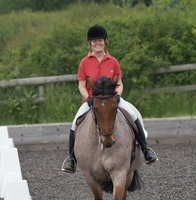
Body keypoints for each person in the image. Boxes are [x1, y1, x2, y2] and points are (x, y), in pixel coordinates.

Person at [62, 24, 158, 173]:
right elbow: (81, 85)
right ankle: (71, 159)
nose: (97, 43)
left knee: (132, 114)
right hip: (92, 101)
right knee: (74, 123)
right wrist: (88, 97)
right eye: (94, 41)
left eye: (100, 40)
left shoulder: (113, 61)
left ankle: (146, 150)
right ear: (90, 44)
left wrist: (118, 94)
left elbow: (119, 83)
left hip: (112, 100)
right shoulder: (84, 62)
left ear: (105, 41)